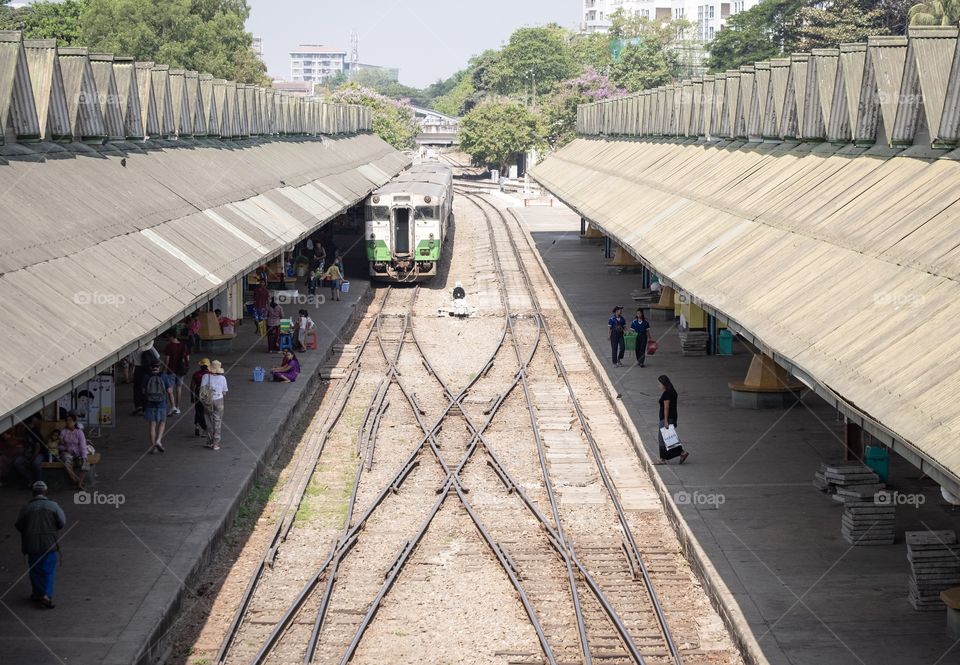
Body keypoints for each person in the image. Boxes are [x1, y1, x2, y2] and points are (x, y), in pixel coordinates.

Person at [15, 481, 65, 609]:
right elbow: (61, 523)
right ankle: (46, 596)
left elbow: (19, 525)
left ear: (33, 493)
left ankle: (38, 594)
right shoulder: (54, 506)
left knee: (35, 569)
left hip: (31, 544)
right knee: (48, 570)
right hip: (49, 543)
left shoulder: (26, 508)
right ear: (46, 492)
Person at [656, 375, 688, 465]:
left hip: (666, 419)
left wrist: (665, 421)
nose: (659, 386)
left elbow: (666, 407)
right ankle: (682, 452)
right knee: (671, 438)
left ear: (664, 384)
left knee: (662, 439)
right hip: (673, 418)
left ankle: (662, 458)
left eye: (659, 384)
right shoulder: (673, 392)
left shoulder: (667, 394)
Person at [143, 363, 174, 454]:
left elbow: (143, 390)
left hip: (150, 403)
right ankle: (158, 440)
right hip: (161, 403)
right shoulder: (163, 376)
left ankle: (153, 447)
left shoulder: (146, 377)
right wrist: (173, 404)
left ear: (150, 367)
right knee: (162, 422)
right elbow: (169, 391)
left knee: (152, 424)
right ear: (159, 367)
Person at [200, 360, 228, 451]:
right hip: (219, 401)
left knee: (208, 421)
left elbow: (202, 390)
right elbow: (224, 391)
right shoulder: (223, 378)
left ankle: (209, 441)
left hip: (208, 401)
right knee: (217, 422)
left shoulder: (205, 376)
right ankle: (216, 443)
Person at [59, 415, 90, 490]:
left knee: (85, 464)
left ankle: (79, 484)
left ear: (74, 422)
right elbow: (59, 445)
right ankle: (76, 482)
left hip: (78, 452)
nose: (68, 422)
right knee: (67, 463)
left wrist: (84, 457)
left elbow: (82, 445)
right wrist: (65, 448)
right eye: (67, 420)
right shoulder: (63, 432)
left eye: (70, 420)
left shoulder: (79, 432)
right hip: (67, 453)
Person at [13, 414, 46, 486]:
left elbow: (38, 448)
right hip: (28, 453)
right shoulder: (26, 431)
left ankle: (39, 483)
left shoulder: (34, 432)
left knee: (36, 463)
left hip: (38, 453)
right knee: (17, 463)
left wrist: (31, 459)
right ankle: (31, 479)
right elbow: (25, 442)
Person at [163, 332, 189, 416]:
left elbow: (167, 360)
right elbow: (187, 358)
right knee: (179, 388)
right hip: (181, 370)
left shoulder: (169, 346)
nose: (168, 338)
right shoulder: (183, 345)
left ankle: (173, 406)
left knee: (169, 389)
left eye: (168, 337)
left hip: (171, 370)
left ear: (172, 336)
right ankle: (178, 408)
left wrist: (164, 369)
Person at [132, 341, 160, 415]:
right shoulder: (149, 347)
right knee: (147, 387)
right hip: (147, 369)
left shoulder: (133, 348)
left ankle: (138, 405)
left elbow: (130, 360)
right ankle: (147, 406)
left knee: (137, 387)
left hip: (137, 369)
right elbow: (157, 355)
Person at [190, 358, 211, 438]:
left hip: (197, 393)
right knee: (206, 412)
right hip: (207, 394)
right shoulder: (210, 374)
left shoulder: (196, 374)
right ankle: (205, 428)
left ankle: (197, 426)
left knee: (198, 411)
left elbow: (192, 386)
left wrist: (192, 397)